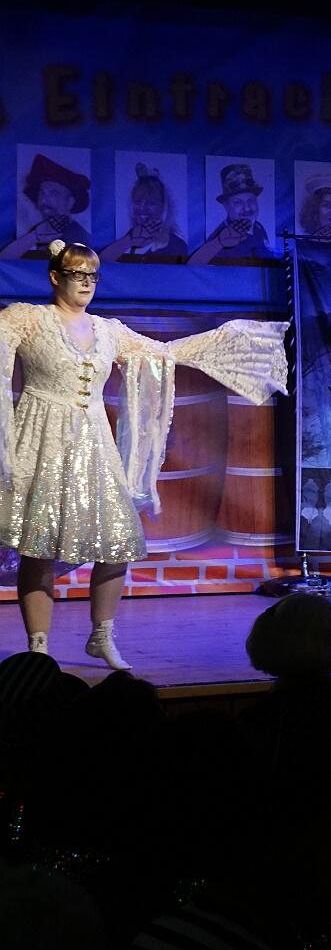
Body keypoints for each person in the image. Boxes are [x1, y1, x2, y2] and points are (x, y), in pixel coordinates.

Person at [0, 241, 288, 668]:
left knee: (118, 542)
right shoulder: (27, 318)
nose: (86, 284)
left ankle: (101, 635)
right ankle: (38, 647)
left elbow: (160, 354)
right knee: (39, 546)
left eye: (92, 276)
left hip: (93, 444)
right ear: (55, 277)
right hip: (40, 440)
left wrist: (224, 345)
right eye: (78, 275)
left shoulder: (108, 330)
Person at [1, 154, 91, 259]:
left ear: (70, 202)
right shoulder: (39, 230)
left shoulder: (79, 237)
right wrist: (34, 237)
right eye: (42, 193)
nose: (43, 200)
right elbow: (4, 260)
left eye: (54, 194)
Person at [98, 163, 189, 262]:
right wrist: (129, 240)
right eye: (138, 202)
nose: (142, 208)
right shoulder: (128, 237)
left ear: (164, 206)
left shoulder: (177, 244)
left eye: (151, 203)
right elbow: (99, 265)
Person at [188, 163, 274, 264]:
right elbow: (194, 267)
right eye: (238, 202)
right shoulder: (219, 239)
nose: (247, 208)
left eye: (251, 200)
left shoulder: (259, 228)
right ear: (226, 205)